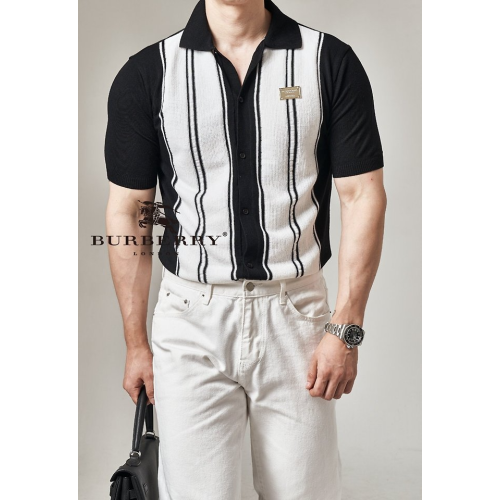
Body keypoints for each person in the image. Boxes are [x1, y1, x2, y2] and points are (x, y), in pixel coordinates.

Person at [105, 0, 387, 498]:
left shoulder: (328, 61)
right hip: (190, 319)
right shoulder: (149, 73)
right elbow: (130, 211)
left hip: (296, 315)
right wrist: (135, 343)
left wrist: (345, 329)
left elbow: (363, 195)